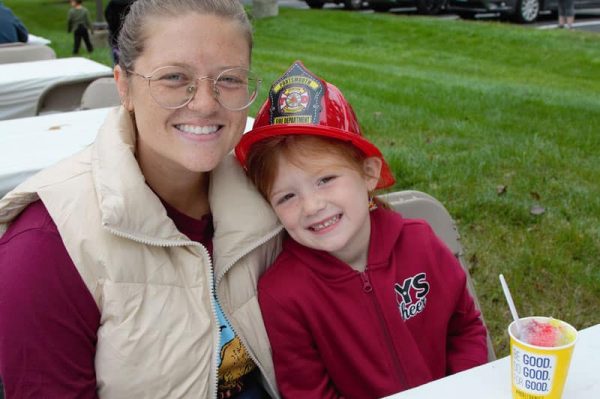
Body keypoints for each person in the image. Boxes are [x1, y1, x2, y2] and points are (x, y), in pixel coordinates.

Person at [0, 1, 284, 398]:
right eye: (173, 77)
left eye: (230, 79)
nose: (204, 103)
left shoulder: (275, 193)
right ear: (124, 87)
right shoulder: (45, 247)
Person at [235, 61, 489, 399]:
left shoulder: (420, 243)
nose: (311, 206)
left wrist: (463, 389)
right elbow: (308, 392)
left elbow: (465, 328)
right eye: (287, 196)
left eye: (325, 179)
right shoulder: (283, 293)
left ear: (368, 173)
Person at [105, 0, 135, 65]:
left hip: (116, 36)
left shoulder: (112, 4)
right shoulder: (136, 2)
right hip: (132, 36)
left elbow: (107, 16)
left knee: (117, 61)